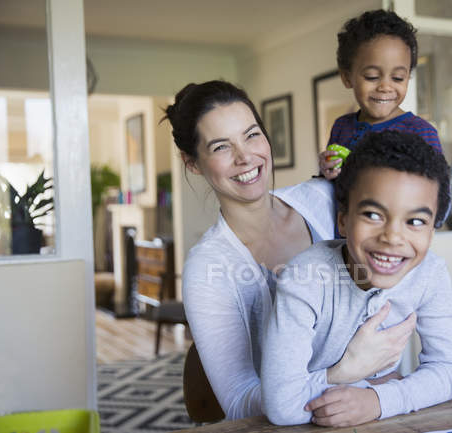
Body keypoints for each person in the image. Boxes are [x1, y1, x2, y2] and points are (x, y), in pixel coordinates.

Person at [163, 80, 417, 420]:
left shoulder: (326, 201)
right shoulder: (207, 269)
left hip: (375, 409)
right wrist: (343, 372)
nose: (245, 157)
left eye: (252, 135)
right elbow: (239, 402)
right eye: (221, 147)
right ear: (193, 162)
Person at [262, 131, 452, 427]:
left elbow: (448, 370)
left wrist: (379, 401)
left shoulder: (430, 273)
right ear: (343, 220)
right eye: (373, 214)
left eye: (416, 222)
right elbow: (282, 405)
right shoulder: (305, 278)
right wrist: (354, 376)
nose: (392, 237)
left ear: (432, 231)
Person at [319, 9, 442, 180]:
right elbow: (331, 188)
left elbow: (441, 194)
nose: (385, 87)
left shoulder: (420, 132)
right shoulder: (342, 127)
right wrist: (326, 171)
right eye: (372, 77)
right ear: (347, 77)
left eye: (398, 78)